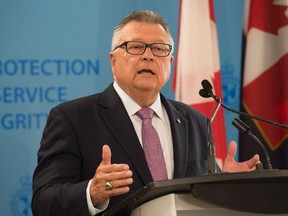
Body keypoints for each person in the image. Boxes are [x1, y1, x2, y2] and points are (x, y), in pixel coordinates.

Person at [32, 9, 260, 216]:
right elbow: (44, 202)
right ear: (113, 60)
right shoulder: (73, 119)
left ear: (170, 62)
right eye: (136, 47)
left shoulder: (195, 121)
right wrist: (92, 193)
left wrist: (224, 184)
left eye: (159, 49)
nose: (148, 56)